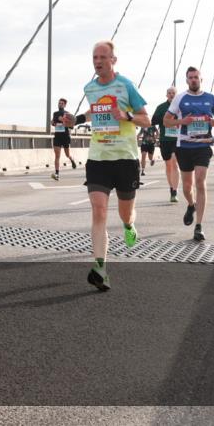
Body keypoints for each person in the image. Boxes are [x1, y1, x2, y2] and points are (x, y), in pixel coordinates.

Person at [61, 40, 150, 292]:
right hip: (98, 157)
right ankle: (100, 268)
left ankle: (129, 226)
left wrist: (126, 116)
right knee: (99, 210)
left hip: (125, 159)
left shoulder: (126, 86)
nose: (97, 61)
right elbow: (94, 111)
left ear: (113, 60)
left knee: (125, 213)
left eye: (102, 57)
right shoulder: (89, 88)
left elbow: (146, 119)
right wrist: (75, 120)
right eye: (94, 58)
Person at [164, 66, 214, 242]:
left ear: (201, 79)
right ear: (187, 80)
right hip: (184, 146)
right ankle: (191, 205)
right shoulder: (180, 98)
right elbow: (166, 121)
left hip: (203, 146)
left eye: (196, 77)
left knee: (200, 181)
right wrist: (182, 121)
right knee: (186, 186)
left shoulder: (210, 98)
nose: (193, 80)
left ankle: (199, 226)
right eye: (190, 78)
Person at [151, 86, 181, 203]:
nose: (171, 95)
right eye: (169, 93)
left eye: (173, 93)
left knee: (174, 162)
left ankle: (175, 190)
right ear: (166, 95)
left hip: (177, 139)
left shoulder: (180, 107)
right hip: (164, 140)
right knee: (168, 165)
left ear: (176, 95)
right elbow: (153, 121)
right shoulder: (161, 107)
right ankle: (171, 188)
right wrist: (164, 119)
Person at [50, 98, 78, 180]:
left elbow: (72, 126)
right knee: (57, 156)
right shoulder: (55, 113)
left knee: (67, 155)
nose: (60, 104)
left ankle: (71, 159)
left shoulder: (68, 114)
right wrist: (54, 123)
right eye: (59, 103)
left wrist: (64, 121)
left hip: (65, 136)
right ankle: (57, 174)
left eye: (62, 103)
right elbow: (53, 123)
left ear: (65, 105)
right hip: (57, 137)